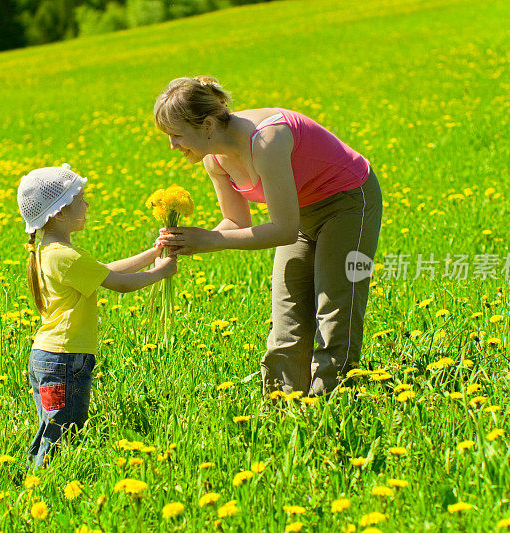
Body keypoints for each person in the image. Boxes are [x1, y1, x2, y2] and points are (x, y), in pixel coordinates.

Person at [154, 76, 382, 398]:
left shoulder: (266, 140)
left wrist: (211, 241)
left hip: (345, 202)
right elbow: (235, 221)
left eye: (176, 135)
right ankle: (284, 408)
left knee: (333, 309)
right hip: (298, 214)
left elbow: (284, 230)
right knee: (287, 317)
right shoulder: (214, 159)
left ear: (206, 125)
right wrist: (190, 240)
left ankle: (332, 405)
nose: (172, 145)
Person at [17, 164, 177, 468]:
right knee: (63, 432)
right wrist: (161, 272)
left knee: (53, 427)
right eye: (80, 199)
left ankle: (33, 476)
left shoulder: (50, 251)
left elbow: (104, 272)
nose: (87, 205)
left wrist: (151, 254)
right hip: (65, 361)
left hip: (50, 359)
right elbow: (118, 284)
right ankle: (42, 483)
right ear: (61, 212)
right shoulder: (64, 255)